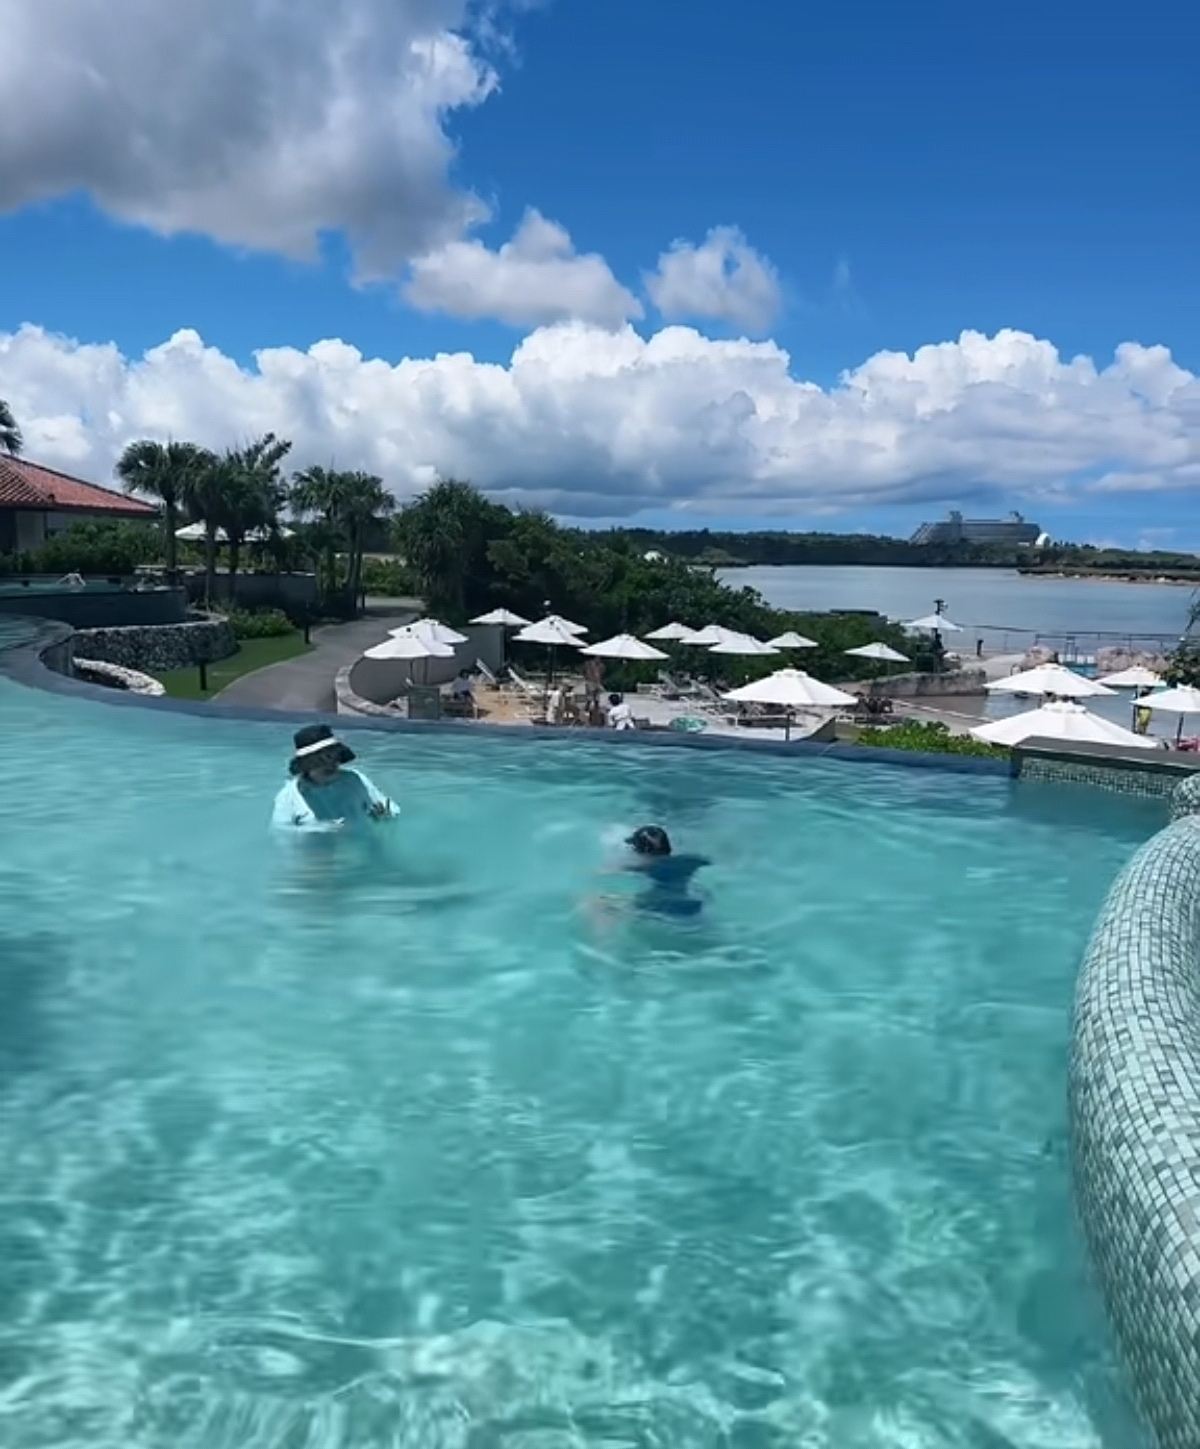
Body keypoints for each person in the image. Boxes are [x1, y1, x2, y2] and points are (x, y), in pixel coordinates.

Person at [271, 724, 398, 832]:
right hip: (316, 856)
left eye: (333, 756)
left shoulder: (354, 779)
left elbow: (389, 807)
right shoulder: (290, 796)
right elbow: (280, 831)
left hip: (363, 848)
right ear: (306, 765)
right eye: (319, 760)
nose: (330, 764)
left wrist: (385, 816)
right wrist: (320, 829)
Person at [622, 825, 710, 918]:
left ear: (639, 851)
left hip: (663, 908)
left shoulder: (644, 869)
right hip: (696, 907)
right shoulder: (691, 860)